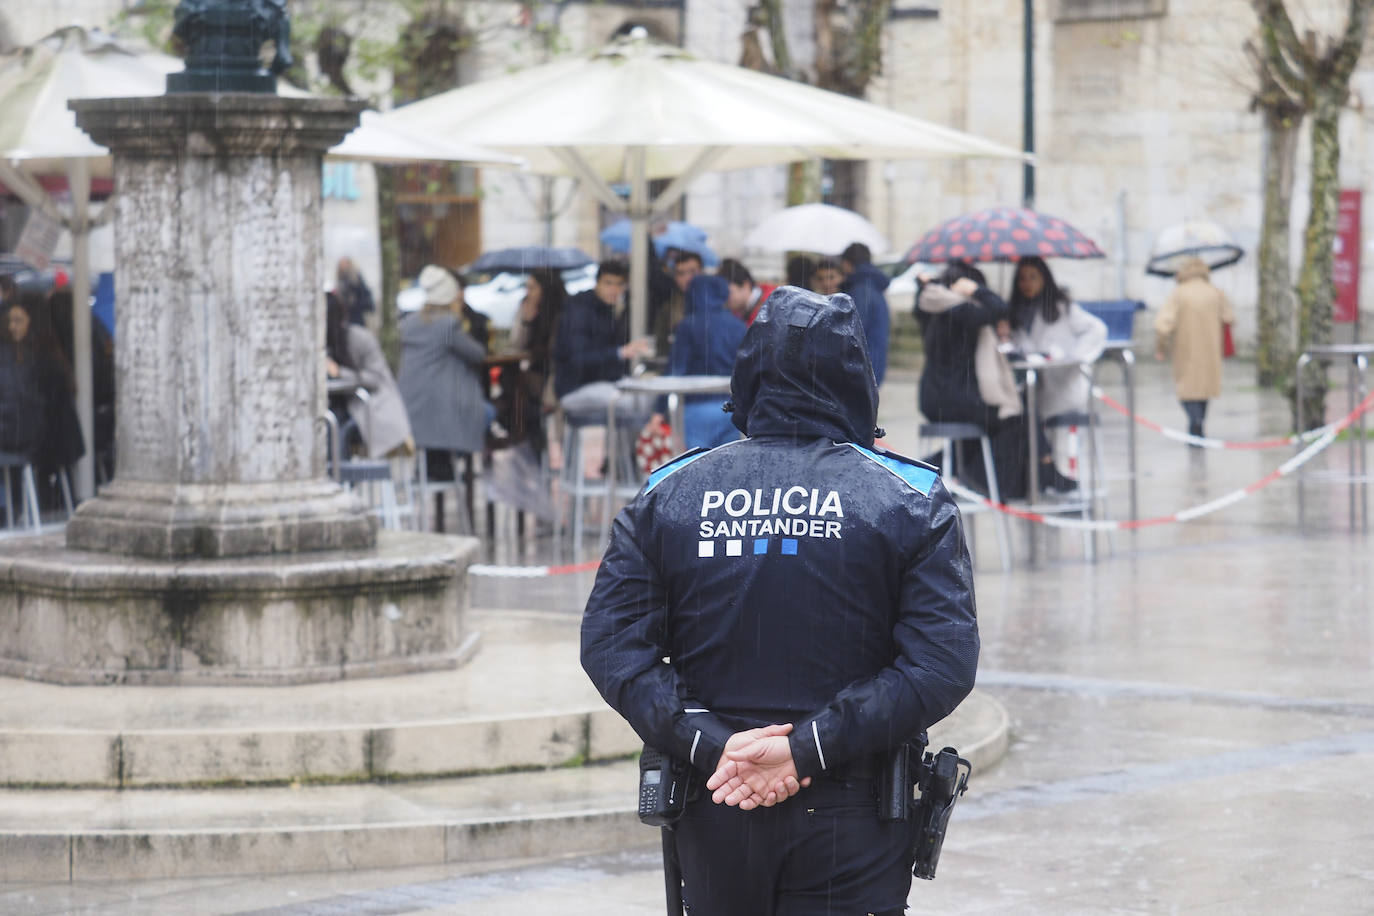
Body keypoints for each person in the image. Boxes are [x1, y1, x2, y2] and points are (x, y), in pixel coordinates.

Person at [581, 286, 979, 916]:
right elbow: (940, 665)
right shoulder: (909, 498)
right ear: (858, 376)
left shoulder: (671, 492)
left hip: (718, 795)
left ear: (748, 374)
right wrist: (809, 747)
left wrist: (708, 742)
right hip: (853, 808)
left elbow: (610, 645)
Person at [917, 261, 1048, 500]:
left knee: (990, 428)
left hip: (934, 399)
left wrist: (932, 284)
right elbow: (998, 309)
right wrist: (976, 291)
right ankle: (976, 481)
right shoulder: (960, 310)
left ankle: (930, 471)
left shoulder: (934, 308)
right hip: (954, 400)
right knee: (1014, 419)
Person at [398, 264, 490, 529]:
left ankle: (436, 466)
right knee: (488, 414)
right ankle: (462, 464)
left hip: (412, 413)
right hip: (442, 415)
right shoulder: (449, 325)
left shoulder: (408, 324)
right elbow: (478, 354)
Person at [1007, 256, 1108, 475]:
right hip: (1037, 391)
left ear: (1045, 279)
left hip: (1066, 386)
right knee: (1042, 441)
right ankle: (1048, 482)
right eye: (1022, 279)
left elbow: (1096, 330)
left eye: (1033, 277)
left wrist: (1072, 357)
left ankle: (1068, 487)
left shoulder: (1062, 308)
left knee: (1065, 444)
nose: (1027, 284)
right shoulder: (1016, 315)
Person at [0, 294, 84, 508]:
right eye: (9, 321)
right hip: (48, 438)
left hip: (44, 441)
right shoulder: (40, 355)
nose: (12, 327)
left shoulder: (40, 362)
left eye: (18, 321)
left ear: (33, 322)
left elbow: (31, 410)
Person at [553, 259, 653, 411]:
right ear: (597, 283)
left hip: (602, 382)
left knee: (649, 399)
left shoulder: (608, 311)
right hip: (575, 387)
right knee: (634, 405)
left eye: (619, 284)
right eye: (608, 283)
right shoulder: (579, 311)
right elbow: (578, 359)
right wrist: (619, 353)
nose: (614, 289)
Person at [1154, 257, 1236, 439]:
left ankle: (1195, 420)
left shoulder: (1179, 293)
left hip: (1186, 350)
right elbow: (1229, 318)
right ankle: (1199, 422)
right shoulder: (1215, 292)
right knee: (1203, 389)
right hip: (1210, 350)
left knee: (1187, 389)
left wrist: (1161, 347)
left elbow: (1163, 324)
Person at [325, 291, 413, 459]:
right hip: (338, 409)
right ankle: (337, 475)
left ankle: (341, 478)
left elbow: (376, 379)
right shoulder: (319, 346)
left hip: (370, 410)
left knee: (338, 429)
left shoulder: (358, 338)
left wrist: (339, 372)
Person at [665, 274, 746, 449]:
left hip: (695, 407)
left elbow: (676, 370)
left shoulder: (687, 325)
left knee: (695, 464)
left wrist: (658, 410)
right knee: (727, 466)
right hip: (729, 408)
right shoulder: (738, 326)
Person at [503, 267, 566, 454]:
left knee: (515, 385)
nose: (527, 293)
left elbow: (554, 352)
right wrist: (525, 320)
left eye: (532, 288)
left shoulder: (560, 313)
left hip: (554, 373)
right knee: (512, 382)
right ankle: (524, 434)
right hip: (537, 370)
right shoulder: (528, 307)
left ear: (545, 289)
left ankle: (523, 435)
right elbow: (516, 343)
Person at [840, 242, 892, 386]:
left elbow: (853, 330)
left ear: (847, 263)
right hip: (873, 362)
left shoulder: (860, 289)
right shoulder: (873, 284)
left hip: (861, 368)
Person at [718, 258, 769, 326]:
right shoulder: (740, 313)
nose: (724, 299)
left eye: (728, 293)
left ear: (745, 285)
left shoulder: (772, 307)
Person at [335, 257, 377, 328]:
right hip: (348, 315)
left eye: (345, 264)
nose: (343, 266)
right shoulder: (341, 279)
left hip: (357, 314)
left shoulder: (356, 278)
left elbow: (363, 294)